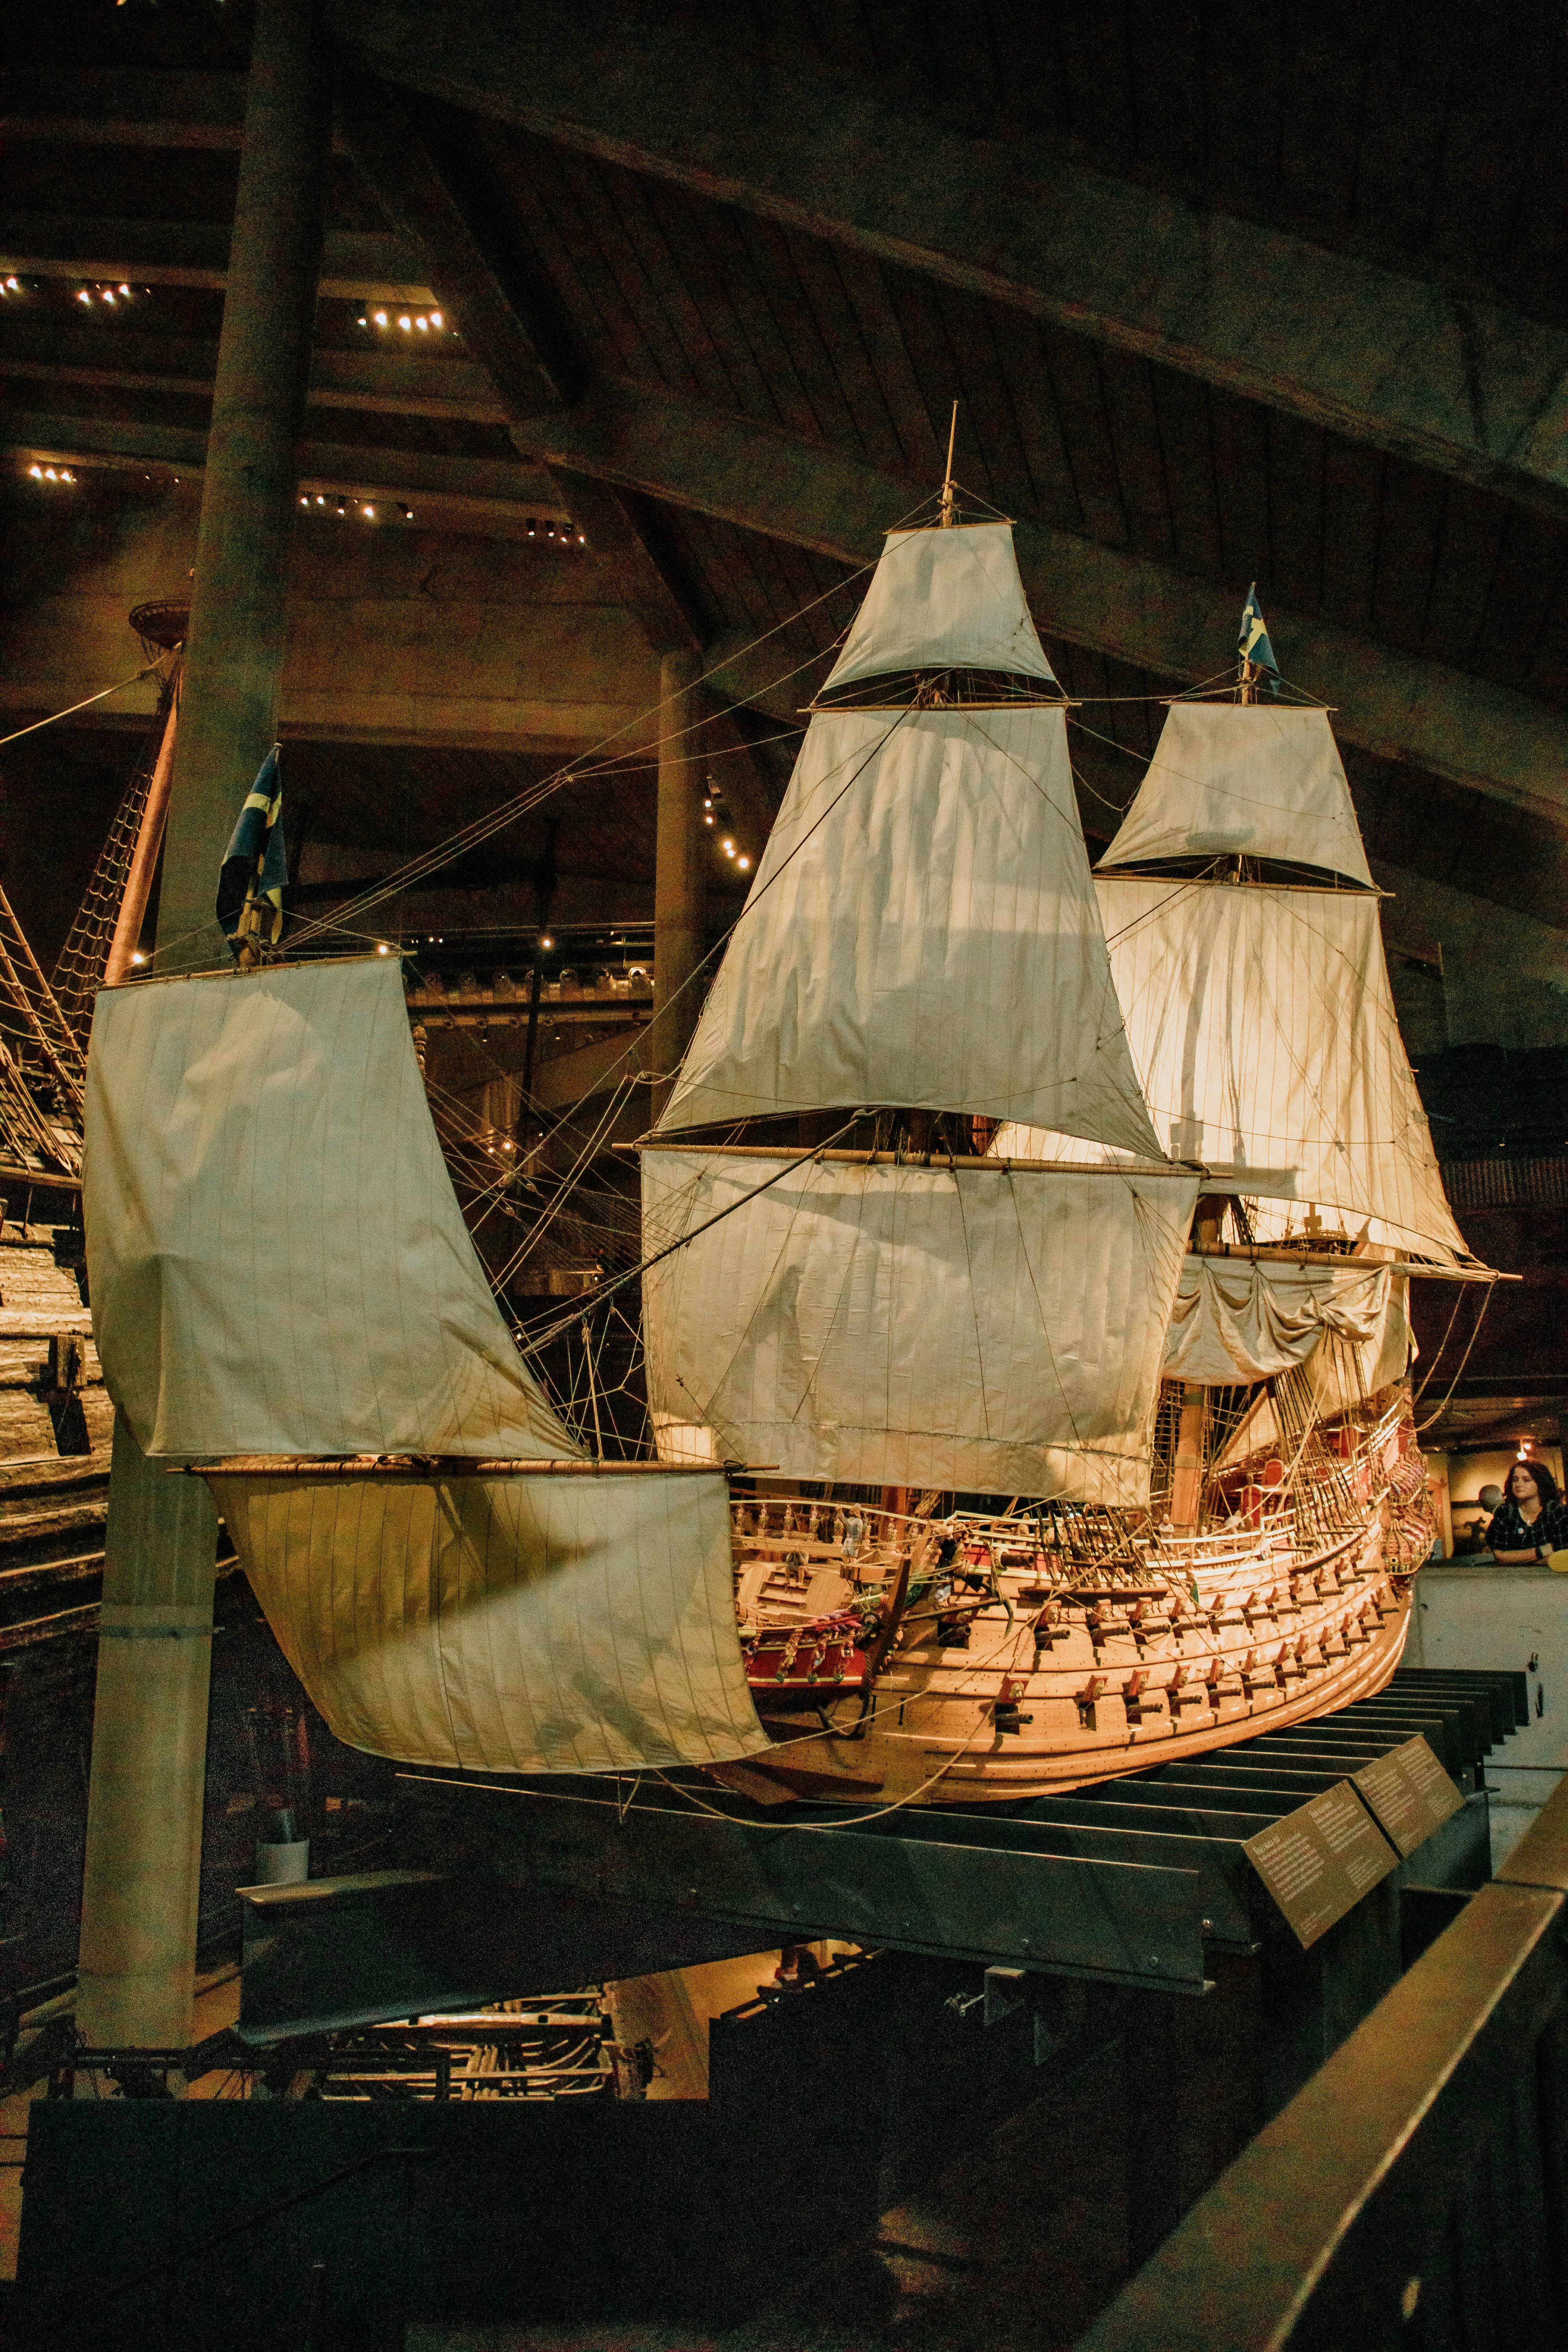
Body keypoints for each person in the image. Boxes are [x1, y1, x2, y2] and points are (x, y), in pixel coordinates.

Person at [1485, 1461, 1568, 1564]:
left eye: (1526, 1480)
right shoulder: (1506, 1512)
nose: (1519, 1484)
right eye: (1515, 1480)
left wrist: (1516, 1559)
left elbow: (1563, 1557)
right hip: (1512, 1578)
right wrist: (1543, 1550)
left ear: (1540, 1483)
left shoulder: (1557, 1512)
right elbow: (1500, 1557)